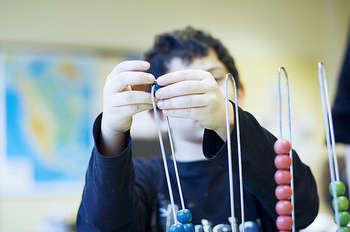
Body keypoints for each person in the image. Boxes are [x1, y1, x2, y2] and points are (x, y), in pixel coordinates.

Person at [76, 27, 319, 232]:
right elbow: (99, 225)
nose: (200, 93)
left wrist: (228, 119)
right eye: (179, 86)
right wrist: (111, 132)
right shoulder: (146, 177)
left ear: (240, 91)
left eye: (213, 78)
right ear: (157, 114)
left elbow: (304, 208)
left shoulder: (258, 167)